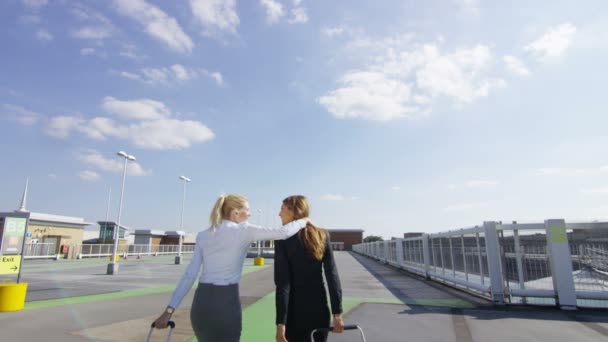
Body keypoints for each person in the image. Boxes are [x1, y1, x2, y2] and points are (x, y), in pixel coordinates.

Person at [153, 194, 309, 342]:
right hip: (226, 303)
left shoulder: (203, 235)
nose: (250, 214)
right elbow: (284, 232)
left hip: (201, 304)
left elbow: (190, 275)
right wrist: (304, 220)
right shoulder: (245, 230)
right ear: (235, 213)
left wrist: (169, 311)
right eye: (247, 210)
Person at [274, 195, 344, 342]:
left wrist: (281, 323)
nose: (279, 213)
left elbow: (283, 284)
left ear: (294, 211)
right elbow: (332, 275)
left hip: (295, 314)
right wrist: (337, 313)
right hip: (319, 311)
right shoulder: (323, 235)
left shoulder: (282, 239)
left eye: (282, 209)